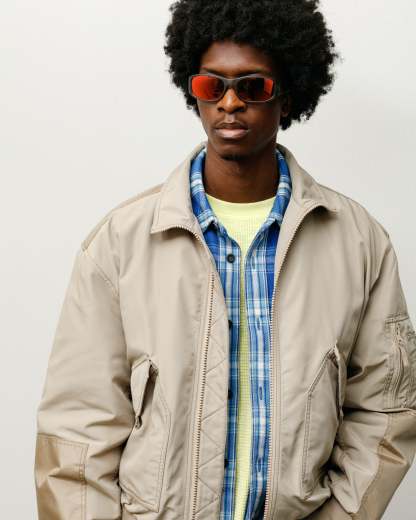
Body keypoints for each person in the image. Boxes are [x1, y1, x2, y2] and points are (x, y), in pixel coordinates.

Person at [34, 1, 416, 519]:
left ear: (287, 95)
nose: (229, 103)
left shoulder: (359, 242)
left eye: (252, 86)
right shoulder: (120, 243)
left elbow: (386, 410)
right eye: (211, 86)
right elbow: (78, 427)